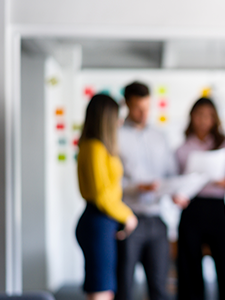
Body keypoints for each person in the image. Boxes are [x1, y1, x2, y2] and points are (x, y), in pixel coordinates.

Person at [116, 81, 178, 300]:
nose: (143, 114)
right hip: (128, 219)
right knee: (124, 286)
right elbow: (112, 182)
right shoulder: (116, 136)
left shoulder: (160, 137)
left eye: (147, 108)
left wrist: (176, 191)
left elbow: (170, 174)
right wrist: (136, 188)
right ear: (126, 105)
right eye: (137, 109)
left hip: (157, 220)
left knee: (160, 289)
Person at [175, 98, 225, 300]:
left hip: (216, 209)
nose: (204, 120)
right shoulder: (182, 148)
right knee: (189, 265)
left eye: (209, 116)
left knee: (224, 263)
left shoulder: (224, 143)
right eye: (199, 115)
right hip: (192, 208)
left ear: (215, 119)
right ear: (192, 117)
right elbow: (175, 182)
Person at [76, 94, 138, 300]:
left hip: (104, 222)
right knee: (101, 289)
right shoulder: (94, 148)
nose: (120, 121)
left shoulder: (97, 147)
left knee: (106, 288)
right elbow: (101, 195)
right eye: (118, 117)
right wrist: (128, 216)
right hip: (98, 221)